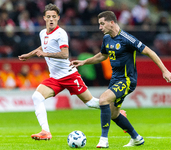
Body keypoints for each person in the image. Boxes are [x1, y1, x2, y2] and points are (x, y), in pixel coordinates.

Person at [70, 11, 171, 148]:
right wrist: (84, 62)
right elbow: (102, 55)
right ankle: (136, 138)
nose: (100, 27)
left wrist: (164, 70)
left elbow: (149, 51)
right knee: (113, 114)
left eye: (102, 24)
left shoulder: (127, 38)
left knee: (104, 99)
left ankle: (103, 140)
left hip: (127, 80)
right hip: (115, 80)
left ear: (112, 22)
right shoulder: (107, 38)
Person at [18, 3, 102, 141]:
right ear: (44, 18)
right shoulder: (42, 33)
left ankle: (115, 109)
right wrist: (29, 54)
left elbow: (64, 54)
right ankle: (45, 131)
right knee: (37, 97)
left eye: (54, 17)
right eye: (48, 16)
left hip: (69, 75)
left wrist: (44, 54)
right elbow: (44, 46)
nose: (51, 19)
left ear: (58, 18)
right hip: (55, 78)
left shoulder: (61, 33)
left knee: (91, 103)